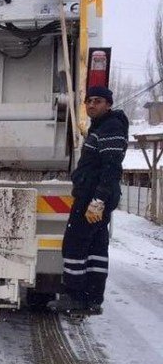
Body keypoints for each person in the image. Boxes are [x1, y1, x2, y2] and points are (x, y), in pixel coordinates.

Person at [49, 86, 129, 316]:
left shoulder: (111, 127)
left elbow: (111, 166)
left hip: (93, 198)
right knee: (95, 248)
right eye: (89, 101)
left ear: (108, 104)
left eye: (98, 101)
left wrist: (99, 200)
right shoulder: (103, 126)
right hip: (94, 196)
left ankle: (75, 297)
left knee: (74, 245)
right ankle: (93, 298)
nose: (92, 105)